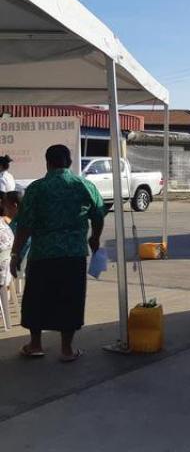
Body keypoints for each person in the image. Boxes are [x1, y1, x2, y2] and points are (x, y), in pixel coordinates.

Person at [10, 145, 105, 361]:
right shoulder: (84, 185)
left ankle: (35, 345)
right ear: (70, 162)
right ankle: (67, 349)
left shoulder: (36, 189)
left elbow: (24, 225)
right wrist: (95, 238)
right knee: (70, 299)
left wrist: (16, 254)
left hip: (43, 254)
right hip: (73, 254)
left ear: (48, 162)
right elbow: (98, 215)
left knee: (37, 299)